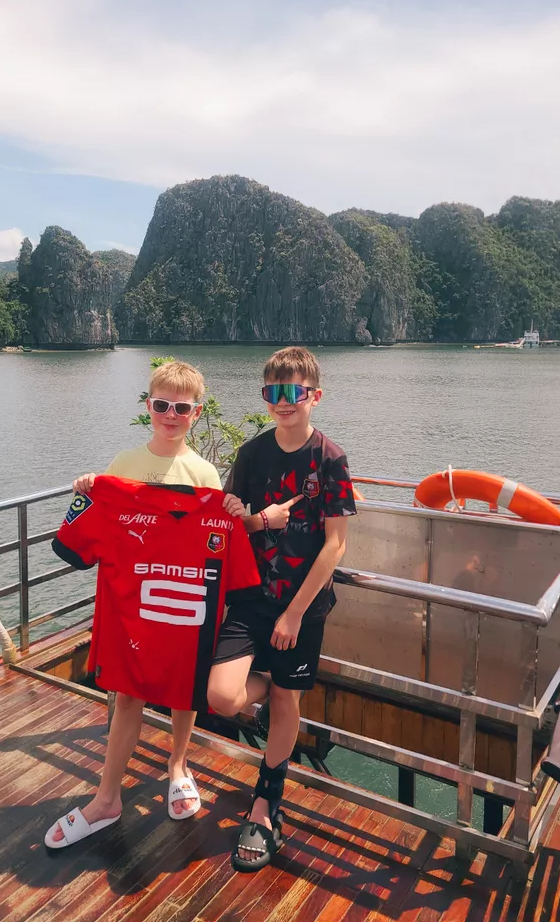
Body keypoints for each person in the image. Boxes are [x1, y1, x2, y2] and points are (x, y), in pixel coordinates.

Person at [46, 360, 244, 847]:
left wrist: (235, 513)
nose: (170, 414)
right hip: (131, 605)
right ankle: (107, 796)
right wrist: (89, 493)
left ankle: (178, 765)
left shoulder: (204, 474)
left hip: (184, 602)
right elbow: (87, 535)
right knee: (127, 696)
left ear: (196, 413)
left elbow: (214, 545)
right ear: (148, 407)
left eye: (181, 407)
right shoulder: (121, 467)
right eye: (161, 405)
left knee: (184, 690)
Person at [208, 346, 356, 872]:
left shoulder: (329, 458)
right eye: (274, 393)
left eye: (294, 393)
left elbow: (335, 546)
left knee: (287, 707)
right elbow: (232, 525)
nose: (283, 402)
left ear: (315, 396)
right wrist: (256, 521)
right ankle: (277, 685)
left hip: (304, 607)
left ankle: (266, 804)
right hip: (252, 598)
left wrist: (294, 614)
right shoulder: (251, 455)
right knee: (221, 696)